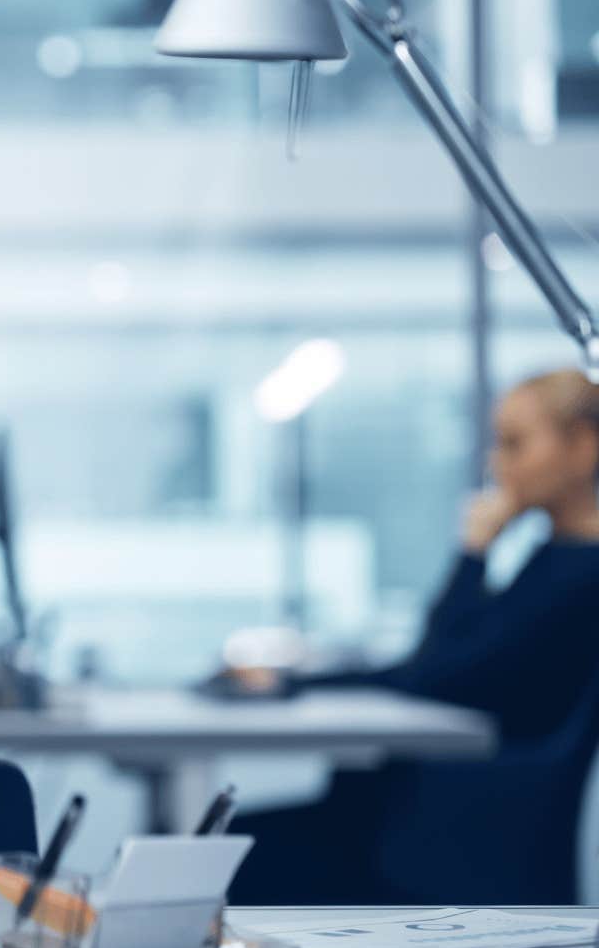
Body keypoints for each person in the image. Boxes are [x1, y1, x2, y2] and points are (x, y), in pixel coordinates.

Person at [231, 367, 599, 904]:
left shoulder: (582, 577)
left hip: (464, 824)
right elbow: (427, 668)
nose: (499, 464)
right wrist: (298, 684)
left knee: (234, 850)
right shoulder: (552, 558)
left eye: (514, 444)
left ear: (585, 446)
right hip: (440, 805)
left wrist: (474, 553)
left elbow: (433, 673)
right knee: (237, 839)